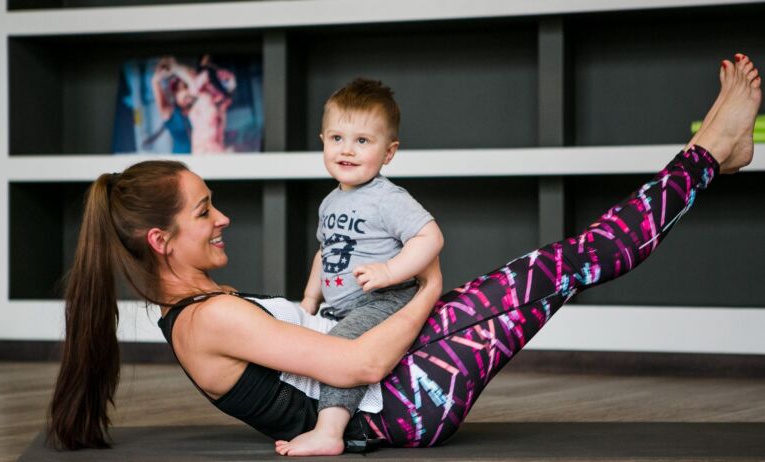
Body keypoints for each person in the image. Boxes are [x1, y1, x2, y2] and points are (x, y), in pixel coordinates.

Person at [47, 54, 759, 455]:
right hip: (409, 400)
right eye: (206, 210)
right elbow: (355, 364)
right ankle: (705, 156)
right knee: (570, 261)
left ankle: (709, 156)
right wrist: (425, 290)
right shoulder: (204, 322)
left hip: (402, 369)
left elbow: (321, 323)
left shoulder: (201, 308)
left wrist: (400, 289)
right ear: (160, 241)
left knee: (565, 262)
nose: (222, 217)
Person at [290, 78, 444, 455]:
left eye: (362, 141)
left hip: (385, 300)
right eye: (337, 138)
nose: (347, 150)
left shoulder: (388, 198)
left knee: (342, 350)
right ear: (322, 139)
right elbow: (325, 251)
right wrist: (309, 299)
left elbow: (431, 237)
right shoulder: (329, 202)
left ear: (388, 152)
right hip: (342, 305)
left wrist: (390, 271)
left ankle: (330, 431)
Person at [150, 55, 236, 154]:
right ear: (174, 95)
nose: (186, 93)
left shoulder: (203, 105)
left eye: (187, 88)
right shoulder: (171, 113)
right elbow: (156, 84)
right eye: (180, 90)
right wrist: (158, 78)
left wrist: (176, 68)